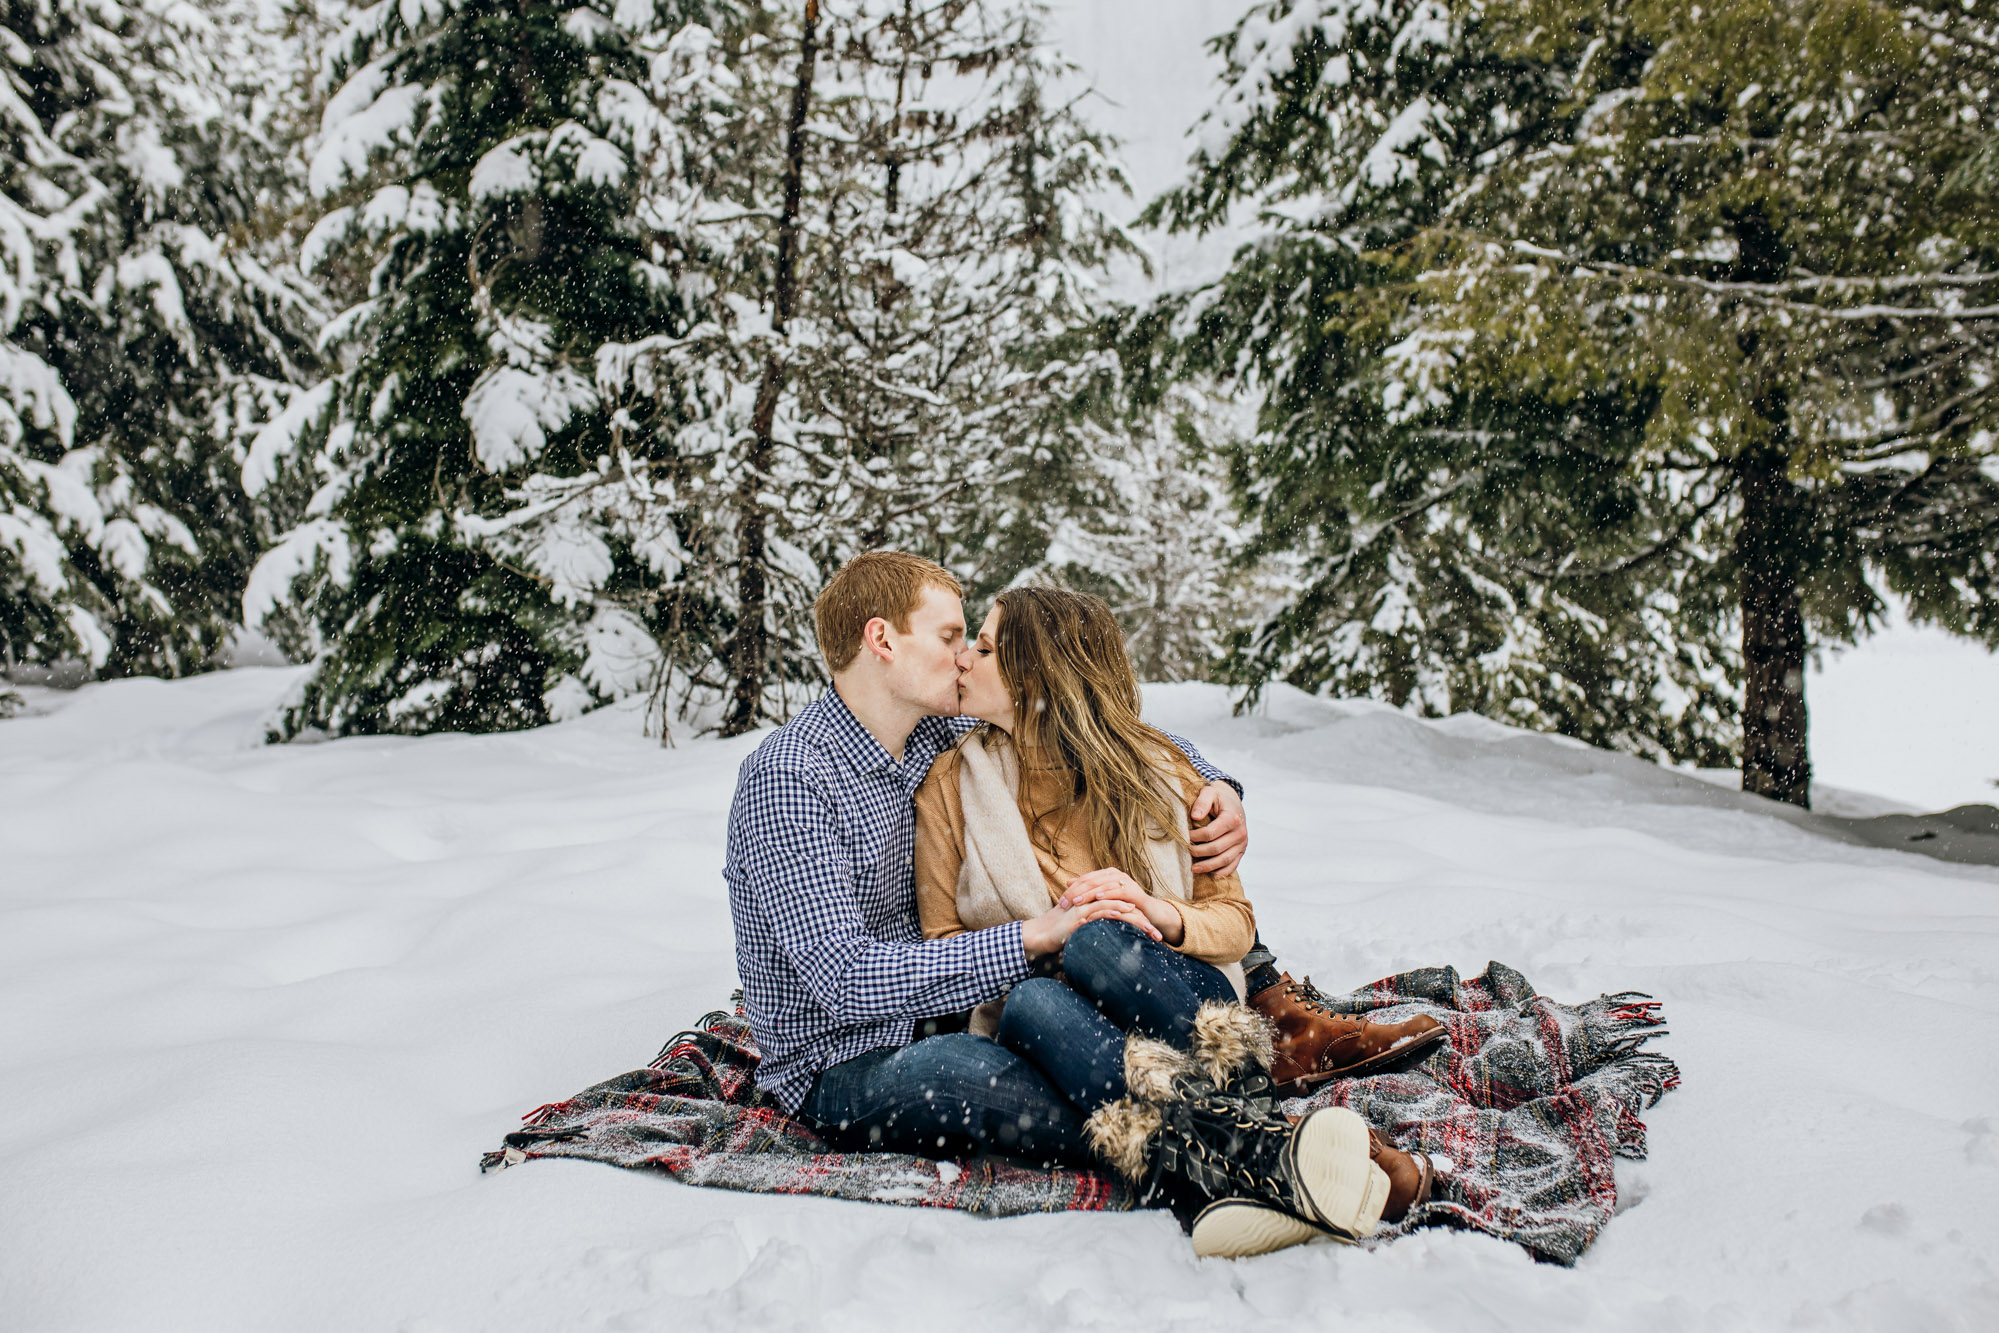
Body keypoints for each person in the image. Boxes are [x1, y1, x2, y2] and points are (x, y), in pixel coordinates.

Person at [912, 586, 1437, 1256]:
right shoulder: (952, 783)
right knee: (1032, 1000)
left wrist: (1152, 909)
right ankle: (1254, 1151)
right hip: (1060, 1026)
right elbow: (943, 947)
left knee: (1100, 943)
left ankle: (1225, 1149)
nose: (963, 659)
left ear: (1034, 676)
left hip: (1178, 1003)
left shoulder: (1158, 768)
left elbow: (1235, 922)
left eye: (983, 648)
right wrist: (1040, 933)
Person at [724, 552, 1246, 1173]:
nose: (962, 656)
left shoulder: (934, 731)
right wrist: (1033, 936)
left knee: (1046, 1025)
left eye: (972, 641)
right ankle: (1228, 1146)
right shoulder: (790, 778)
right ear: (882, 639)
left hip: (937, 1021)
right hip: (843, 1063)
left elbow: (1091, 724)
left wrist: (1219, 784)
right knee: (973, 1067)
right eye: (948, 637)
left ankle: (1215, 1128)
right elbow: (845, 982)